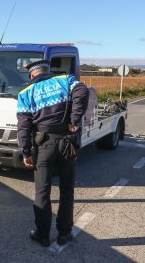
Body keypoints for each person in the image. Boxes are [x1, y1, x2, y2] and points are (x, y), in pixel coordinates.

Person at [16, 59, 89, 247]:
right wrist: (74, 119)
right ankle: (65, 233)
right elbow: (82, 90)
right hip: (68, 143)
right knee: (67, 190)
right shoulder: (65, 80)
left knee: (42, 192)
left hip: (44, 146)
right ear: (48, 71)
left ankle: (43, 235)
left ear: (32, 75)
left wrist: (25, 152)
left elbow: (23, 127)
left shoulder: (26, 92)